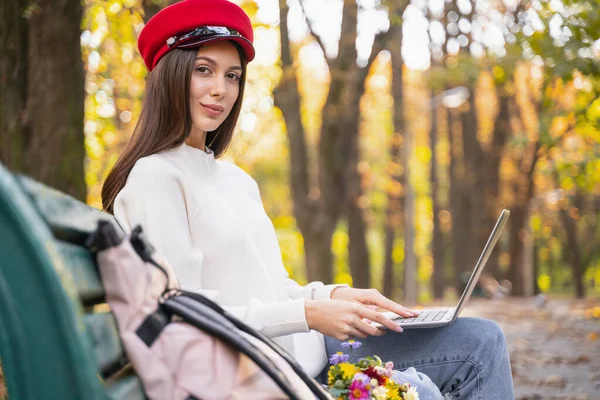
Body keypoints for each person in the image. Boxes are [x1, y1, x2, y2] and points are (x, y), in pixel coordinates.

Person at [101, 0, 514, 398]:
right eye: (203, 70)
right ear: (170, 75)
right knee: (420, 391)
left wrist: (332, 296)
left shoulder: (236, 180)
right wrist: (308, 315)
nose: (220, 90)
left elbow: (272, 288)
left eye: (232, 76)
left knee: (481, 341)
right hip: (259, 372)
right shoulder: (156, 177)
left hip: (306, 351)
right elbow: (185, 314)